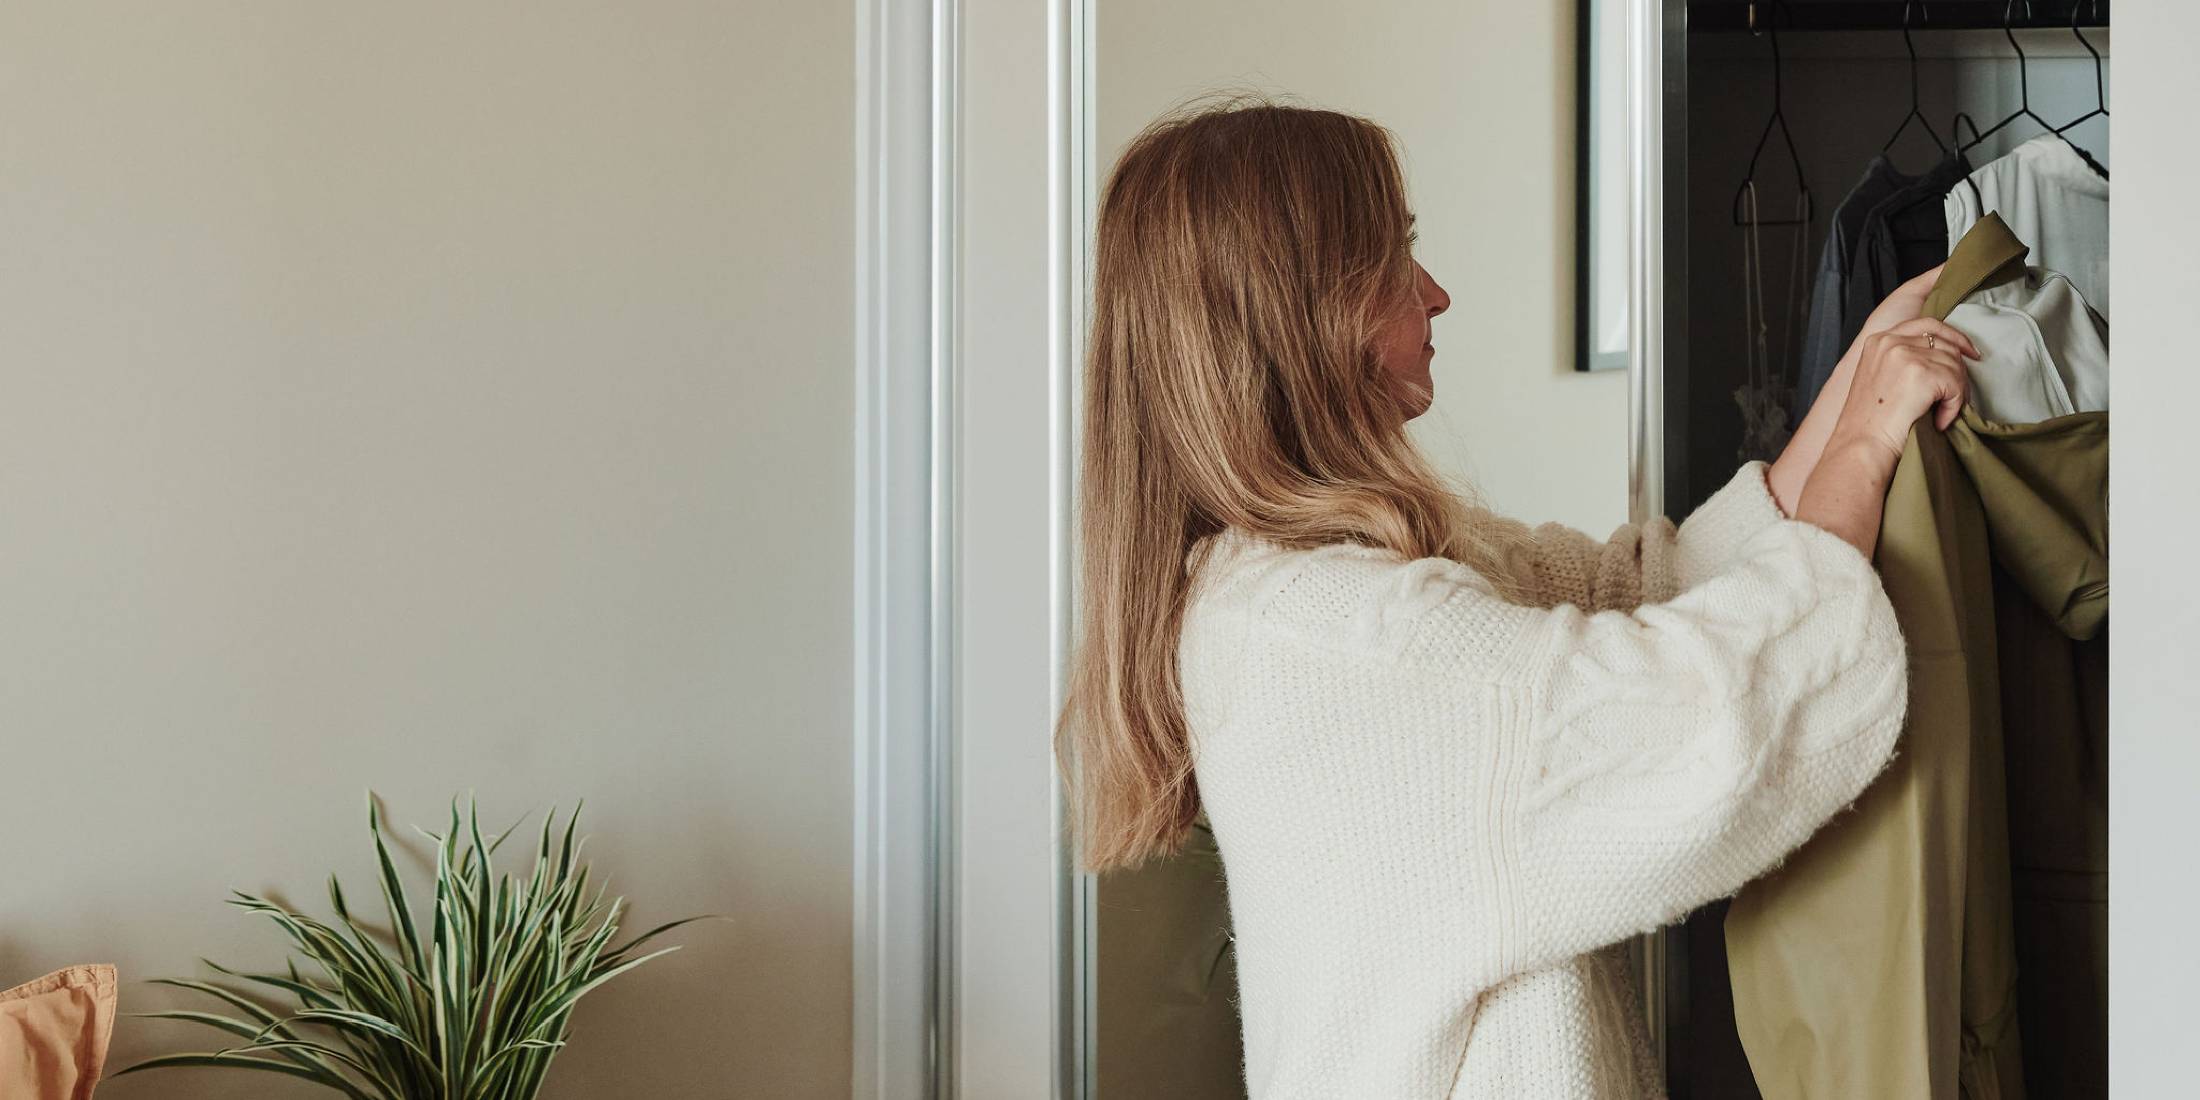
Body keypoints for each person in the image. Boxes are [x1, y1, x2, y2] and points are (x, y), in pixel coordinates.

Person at [1053, 96, 1976, 1099]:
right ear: (1304, 310)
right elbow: (1711, 713)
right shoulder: (1340, 639)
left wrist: (1863, 364)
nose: (1435, 292)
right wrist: (1863, 445)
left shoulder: (1319, 573)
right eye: (1395, 256)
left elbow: (1648, 590)